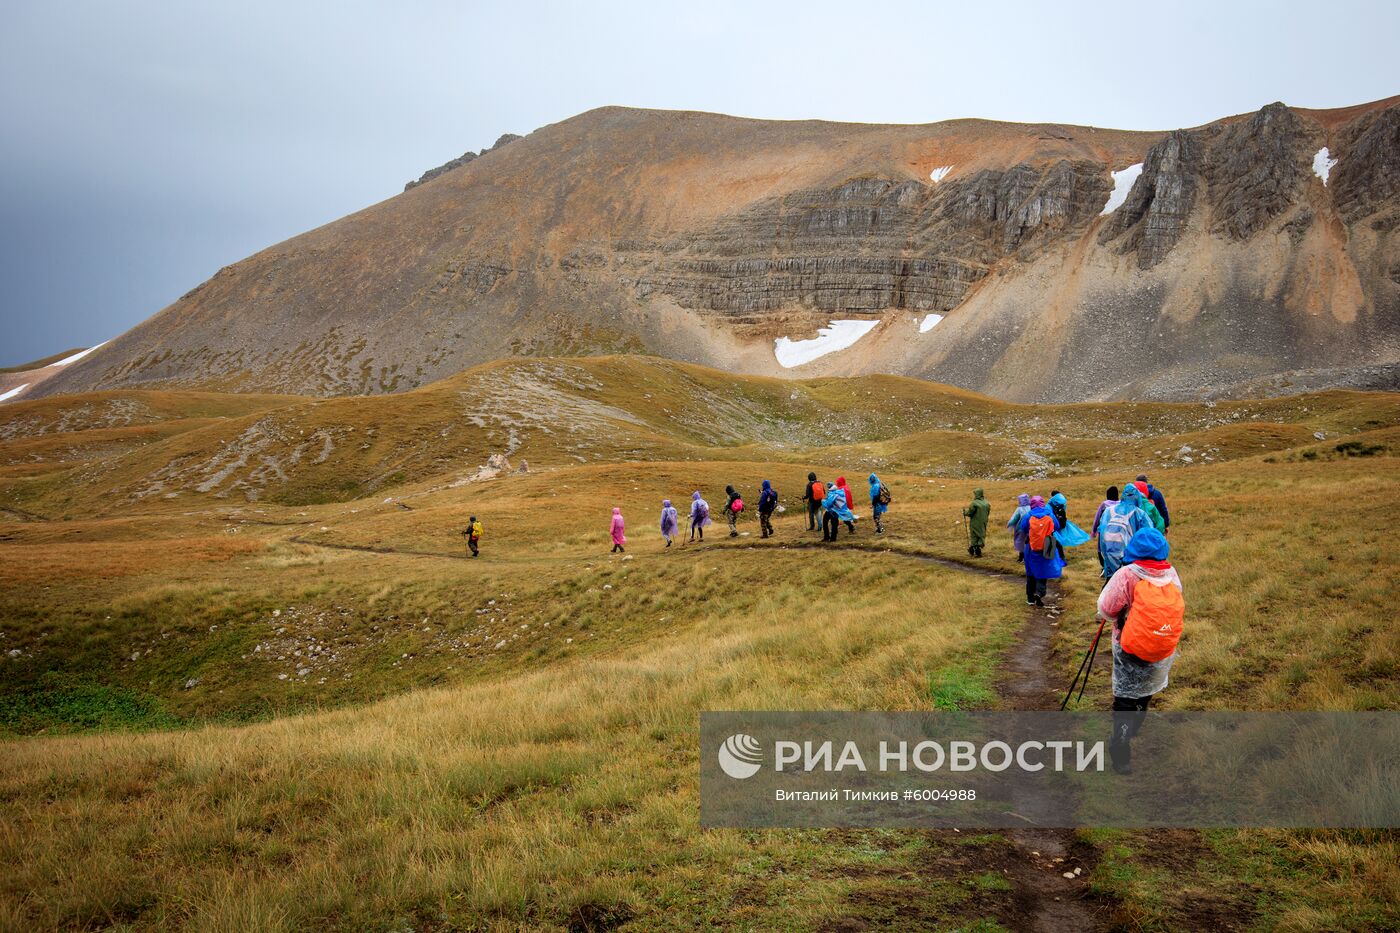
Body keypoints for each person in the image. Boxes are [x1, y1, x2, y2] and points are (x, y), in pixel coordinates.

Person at [1095, 528, 1183, 773]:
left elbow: (1106, 609)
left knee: (1125, 697)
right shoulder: (1170, 574)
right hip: (1162, 645)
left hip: (1128, 645)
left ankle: (1121, 754)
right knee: (1145, 692)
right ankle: (1134, 726)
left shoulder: (1127, 574)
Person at [1099, 484, 1152, 579]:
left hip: (1109, 554)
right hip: (1129, 560)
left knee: (1112, 582)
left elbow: (1102, 533)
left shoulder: (1108, 511)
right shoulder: (1140, 514)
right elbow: (1150, 536)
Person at [1018, 495, 1063, 606]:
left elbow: (1023, 528)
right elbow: (1057, 526)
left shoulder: (1028, 515)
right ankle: (1039, 592)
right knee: (1044, 569)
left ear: (1032, 504)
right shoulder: (1050, 514)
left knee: (1030, 572)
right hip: (1048, 545)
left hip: (1031, 547)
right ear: (1043, 503)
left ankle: (1030, 599)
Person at [1090, 486, 1120, 573]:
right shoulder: (1121, 504)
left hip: (1104, 531)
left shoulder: (1104, 505)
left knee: (1102, 549)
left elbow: (1097, 518)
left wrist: (1094, 531)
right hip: (1118, 531)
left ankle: (1105, 567)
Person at [963, 488, 990, 557]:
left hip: (975, 522)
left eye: (975, 494)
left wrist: (965, 513)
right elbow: (988, 512)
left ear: (977, 494)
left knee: (974, 535)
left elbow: (970, 513)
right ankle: (976, 549)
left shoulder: (974, 503)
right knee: (981, 534)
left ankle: (975, 549)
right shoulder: (986, 503)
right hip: (984, 522)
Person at [1007, 493, 1030, 562]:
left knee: (1021, 542)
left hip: (1021, 528)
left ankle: (1021, 557)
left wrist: (1009, 524)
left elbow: (1015, 518)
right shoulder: (1031, 507)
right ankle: (1027, 557)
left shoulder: (1019, 509)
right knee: (1028, 543)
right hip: (1030, 529)